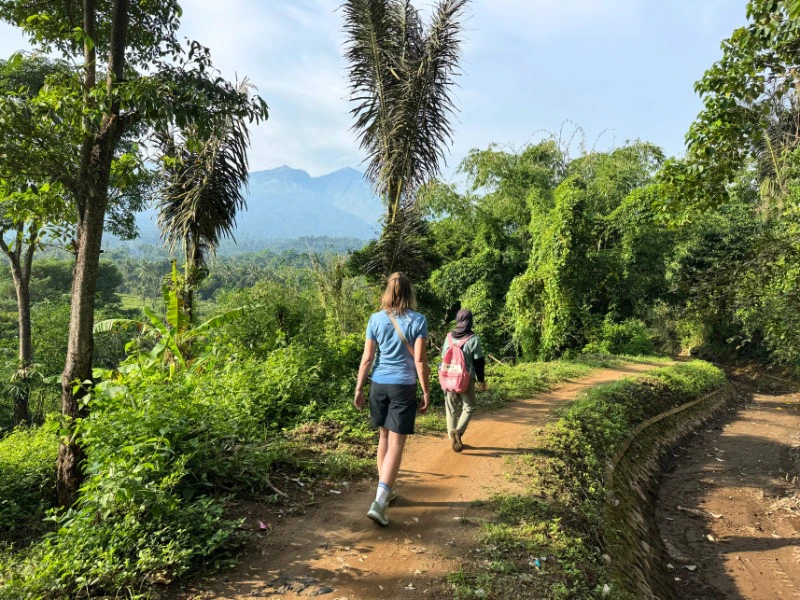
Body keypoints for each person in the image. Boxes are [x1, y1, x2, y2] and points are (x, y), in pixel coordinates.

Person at [354, 272, 430, 527]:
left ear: (387, 292)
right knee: (397, 442)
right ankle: (380, 500)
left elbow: (367, 358)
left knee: (384, 438)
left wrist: (359, 388)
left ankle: (385, 491)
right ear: (409, 293)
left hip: (378, 385)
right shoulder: (418, 320)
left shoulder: (375, 319)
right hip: (402, 386)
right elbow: (419, 360)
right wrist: (427, 390)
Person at [441, 309, 487, 453]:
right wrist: (482, 380)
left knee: (451, 409)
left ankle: (452, 438)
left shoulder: (448, 337)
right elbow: (479, 361)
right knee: (469, 407)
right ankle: (458, 432)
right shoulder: (473, 339)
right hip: (466, 379)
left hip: (449, 379)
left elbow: (443, 358)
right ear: (470, 321)